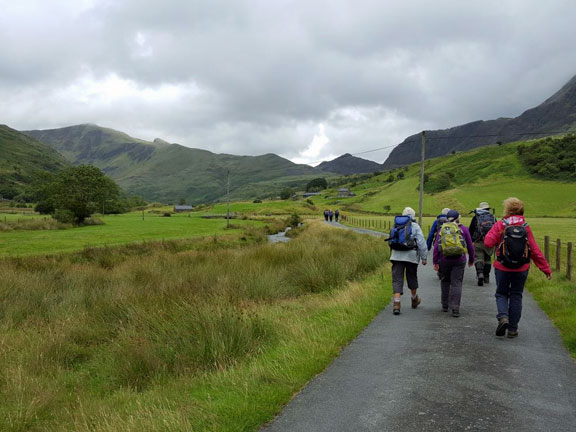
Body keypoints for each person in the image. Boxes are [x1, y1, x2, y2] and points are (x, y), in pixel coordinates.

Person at [484, 197, 552, 338]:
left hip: (502, 267)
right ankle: (513, 329)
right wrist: (545, 268)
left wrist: (499, 233)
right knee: (516, 295)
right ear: (522, 210)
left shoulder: (501, 224)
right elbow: (534, 250)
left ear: (507, 209)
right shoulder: (525, 226)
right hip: (521, 268)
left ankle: (503, 317)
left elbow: (488, 242)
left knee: (501, 293)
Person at [433, 209, 474, 317]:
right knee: (456, 282)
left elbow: (437, 247)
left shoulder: (442, 229)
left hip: (444, 259)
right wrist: (471, 259)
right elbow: (470, 245)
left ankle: (445, 305)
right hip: (459, 260)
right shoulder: (463, 229)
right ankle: (455, 308)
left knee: (445, 281)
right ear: (458, 218)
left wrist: (435, 261)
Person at [389, 207, 428, 315]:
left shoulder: (395, 225)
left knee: (397, 279)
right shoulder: (415, 226)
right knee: (412, 276)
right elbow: (421, 243)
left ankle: (396, 304)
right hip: (411, 256)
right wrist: (424, 258)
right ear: (413, 216)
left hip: (396, 255)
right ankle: (414, 299)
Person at [469, 202, 496, 286]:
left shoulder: (476, 217)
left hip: (478, 241)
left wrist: (471, 241)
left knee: (478, 258)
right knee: (488, 259)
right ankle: (486, 276)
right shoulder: (492, 217)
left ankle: (480, 274)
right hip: (490, 242)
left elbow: (471, 230)